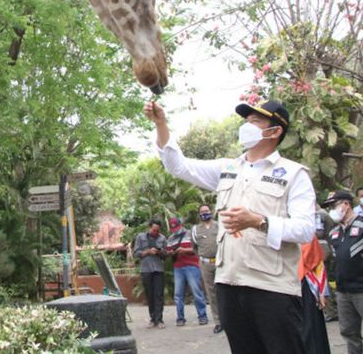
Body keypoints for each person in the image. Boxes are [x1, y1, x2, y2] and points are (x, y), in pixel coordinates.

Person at [144, 99, 315, 354]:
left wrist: (258, 221)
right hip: (229, 284)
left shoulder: (294, 174)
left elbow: (304, 229)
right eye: (247, 121)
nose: (247, 126)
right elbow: (178, 166)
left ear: (275, 131)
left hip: (272, 288)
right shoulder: (228, 168)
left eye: (256, 121)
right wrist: (161, 123)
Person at [322, 189, 363, 354]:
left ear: (346, 204)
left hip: (361, 288)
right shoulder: (334, 233)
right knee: (348, 332)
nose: (331, 209)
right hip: (343, 291)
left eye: (334, 205)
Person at [166, 216, 208, 327]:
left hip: (192, 266)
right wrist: (171, 253)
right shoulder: (170, 238)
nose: (175, 230)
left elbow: (198, 249)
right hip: (178, 267)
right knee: (178, 294)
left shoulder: (190, 234)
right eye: (173, 229)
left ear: (181, 225)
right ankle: (180, 318)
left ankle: (202, 316)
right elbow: (168, 251)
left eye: (177, 228)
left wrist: (184, 250)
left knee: (196, 291)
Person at [191, 203, 222, 333]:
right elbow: (194, 247)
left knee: (224, 292)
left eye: (207, 211)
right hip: (206, 264)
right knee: (211, 293)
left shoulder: (219, 225)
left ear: (211, 211)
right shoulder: (196, 229)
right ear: (199, 214)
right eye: (202, 212)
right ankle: (218, 322)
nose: (205, 213)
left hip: (221, 263)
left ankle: (230, 320)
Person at [298, 236, 331, 354]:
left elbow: (318, 263)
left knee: (311, 329)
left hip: (306, 286)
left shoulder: (307, 234)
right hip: (283, 286)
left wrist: (322, 291)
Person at [133, 220, 167, 329]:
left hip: (158, 269)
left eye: (157, 231)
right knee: (150, 295)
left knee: (159, 295)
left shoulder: (162, 238)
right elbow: (136, 253)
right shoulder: (140, 237)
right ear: (149, 228)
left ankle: (160, 319)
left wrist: (160, 252)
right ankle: (153, 319)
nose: (155, 232)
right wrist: (148, 252)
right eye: (154, 230)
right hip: (146, 269)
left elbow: (166, 255)